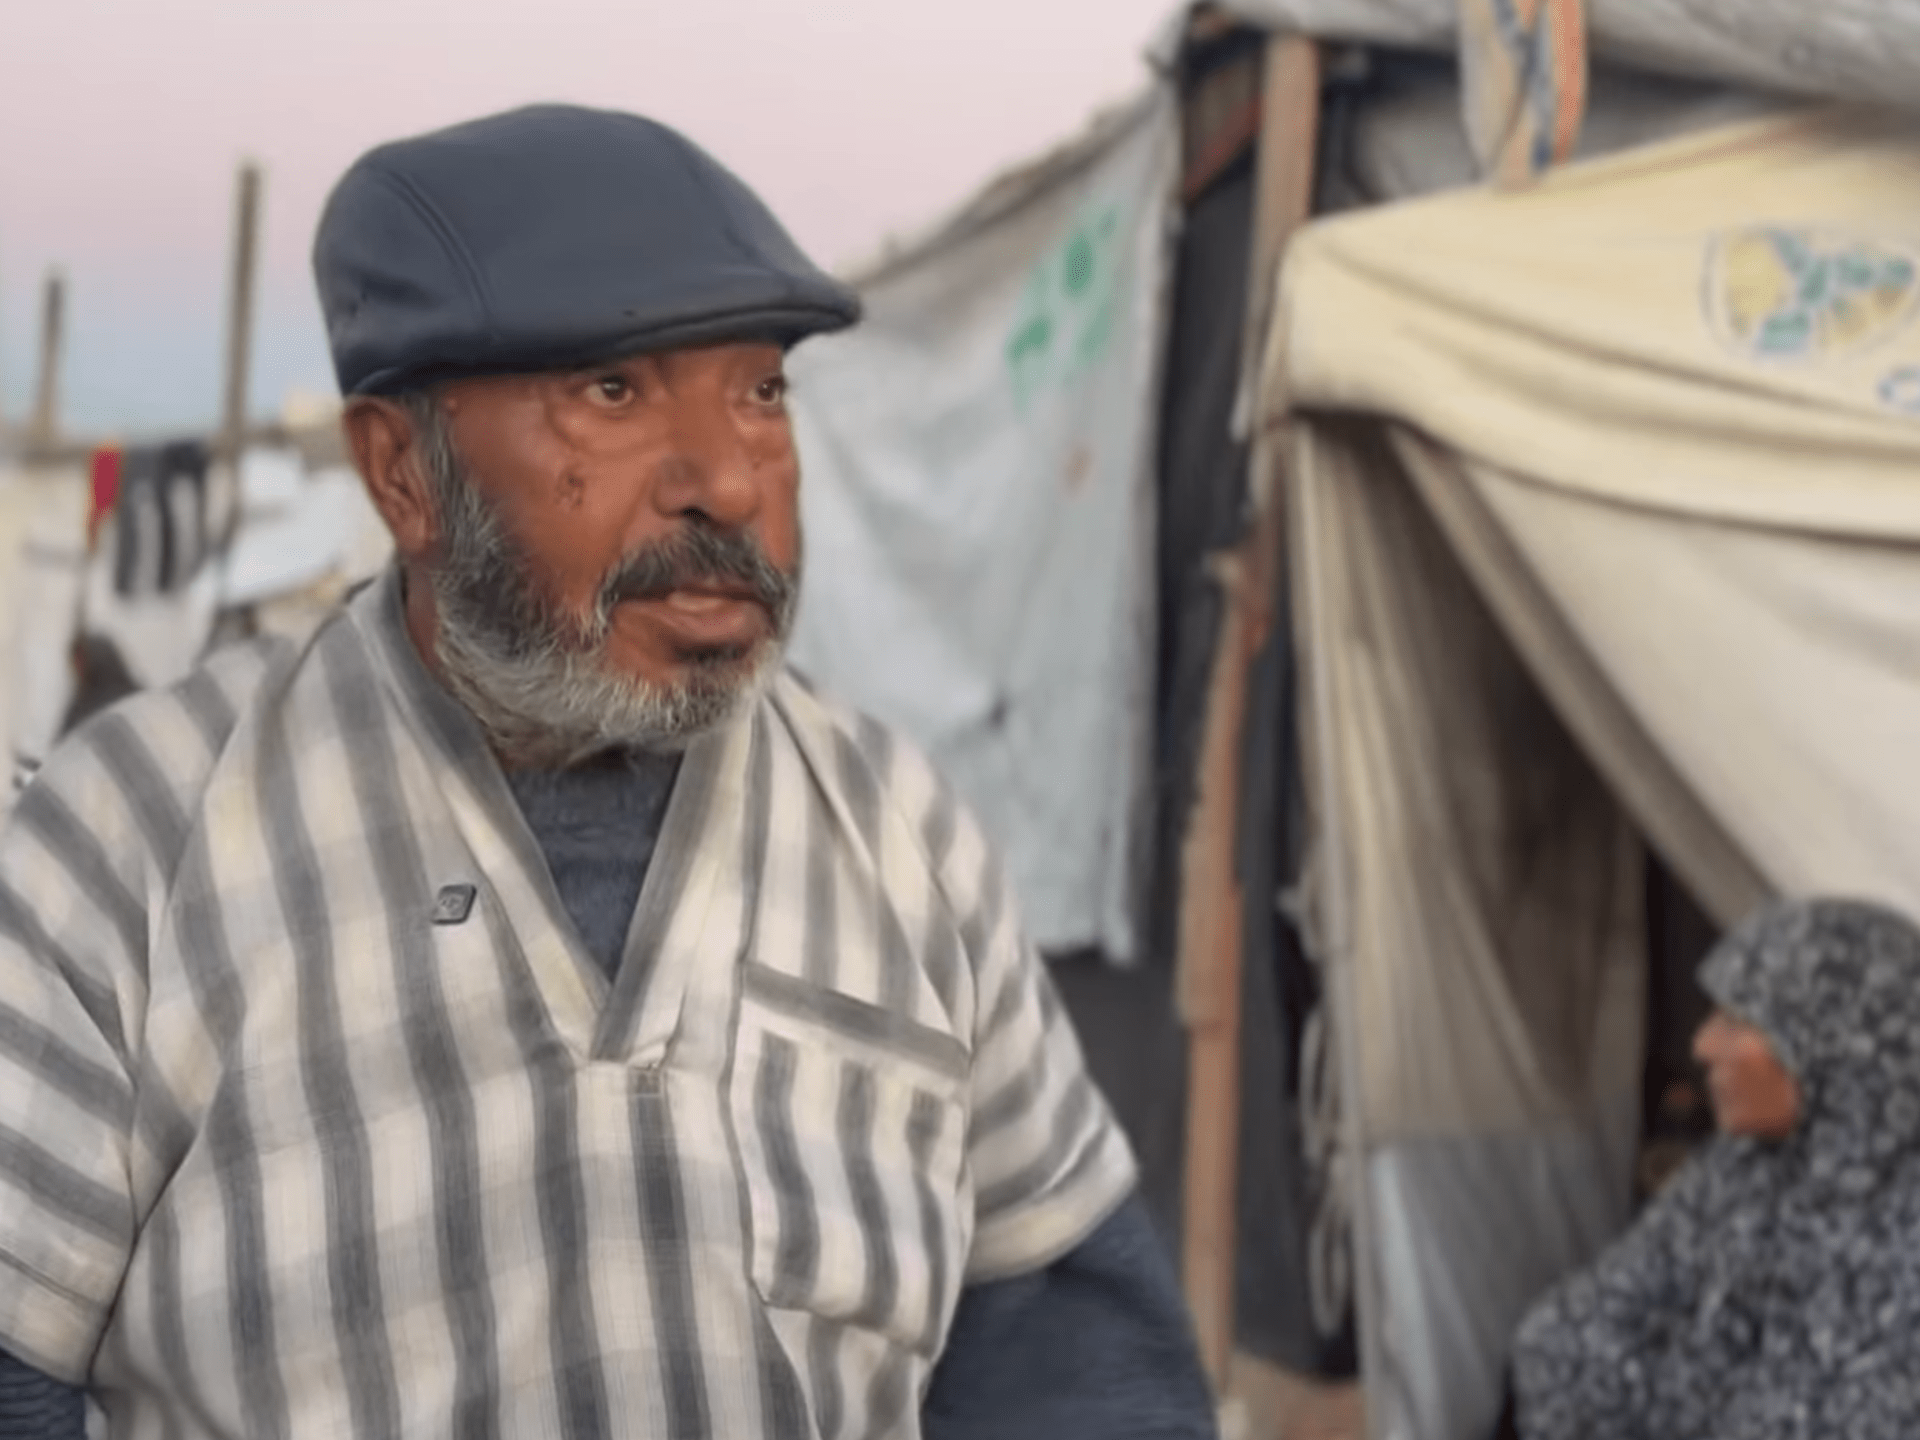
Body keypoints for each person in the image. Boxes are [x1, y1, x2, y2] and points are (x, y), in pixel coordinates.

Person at [0, 106, 1215, 1439]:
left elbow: (1074, 1360)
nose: (727, 484)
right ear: (402, 473)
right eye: (615, 394)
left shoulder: (895, 831)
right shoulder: (127, 843)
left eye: (760, 393)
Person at [1509, 897, 1920, 1440]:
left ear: (1830, 1046)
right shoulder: (1739, 1169)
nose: (1704, 1045)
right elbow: (1587, 1321)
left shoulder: (1902, 1231)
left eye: (1739, 1022)